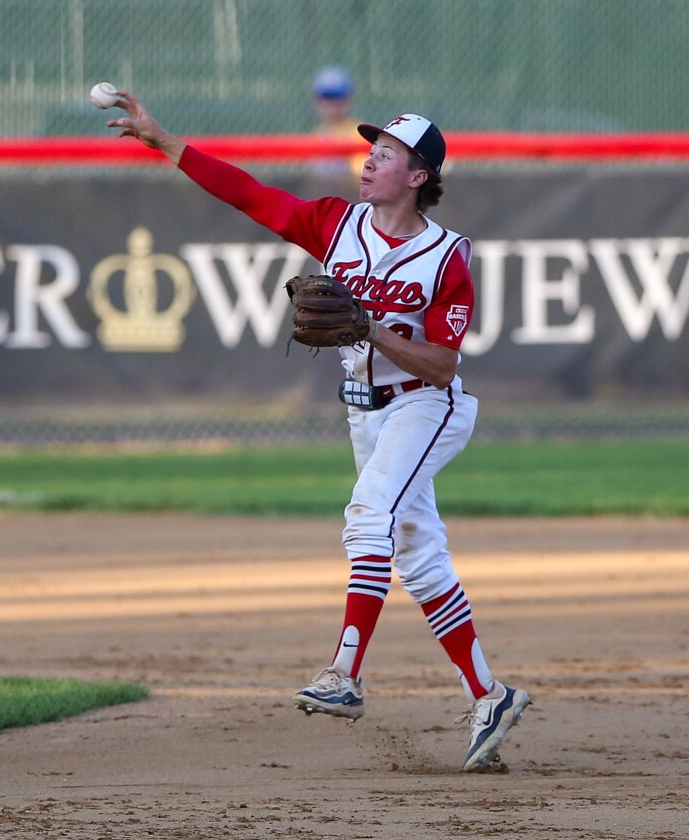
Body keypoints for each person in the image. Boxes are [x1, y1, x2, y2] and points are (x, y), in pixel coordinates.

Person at [105, 91, 531, 772]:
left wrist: (370, 328)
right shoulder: (336, 225)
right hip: (365, 411)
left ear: (418, 176)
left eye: (385, 156)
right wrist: (165, 141)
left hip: (428, 406)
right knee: (419, 557)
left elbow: (444, 363)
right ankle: (491, 695)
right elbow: (249, 195)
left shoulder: (447, 257)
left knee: (367, 519)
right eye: (370, 152)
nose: (369, 163)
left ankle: (344, 675)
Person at [309, 64, 365, 176]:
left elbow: (360, 180)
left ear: (349, 98)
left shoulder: (359, 133)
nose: (332, 104)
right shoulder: (316, 134)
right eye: (327, 97)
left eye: (337, 96)